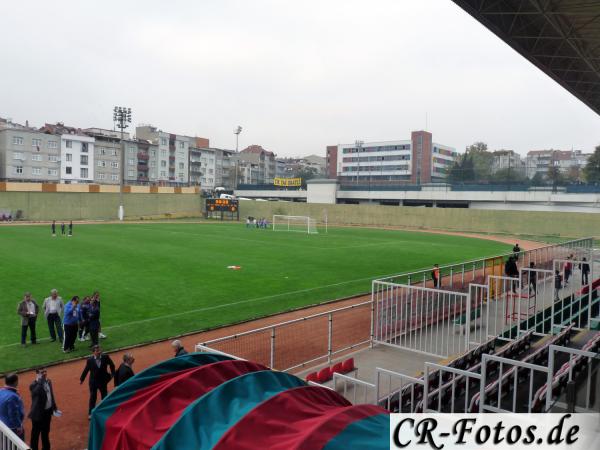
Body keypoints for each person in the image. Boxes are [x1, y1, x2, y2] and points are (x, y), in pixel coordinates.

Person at [80, 346, 115, 418]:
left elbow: (112, 365)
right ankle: (90, 413)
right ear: (93, 352)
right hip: (93, 382)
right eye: (97, 351)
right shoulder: (90, 360)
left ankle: (105, 410)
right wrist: (82, 379)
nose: (99, 352)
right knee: (93, 397)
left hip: (103, 381)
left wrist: (112, 373)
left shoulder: (105, 357)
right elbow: (86, 370)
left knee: (104, 396)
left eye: (99, 350)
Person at [29, 368, 58, 450]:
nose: (45, 373)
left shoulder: (49, 381)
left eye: (45, 371)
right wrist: (39, 381)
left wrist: (54, 405)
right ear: (38, 374)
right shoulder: (33, 385)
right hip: (38, 414)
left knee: (45, 432)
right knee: (35, 434)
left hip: (47, 412)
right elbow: (35, 392)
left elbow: (51, 394)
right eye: (42, 372)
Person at [0, 373, 25, 440]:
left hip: (2, 425)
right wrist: (19, 427)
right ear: (16, 382)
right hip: (12, 429)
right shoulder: (13, 396)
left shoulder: (0, 391)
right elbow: (13, 415)